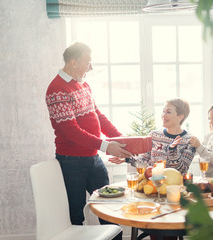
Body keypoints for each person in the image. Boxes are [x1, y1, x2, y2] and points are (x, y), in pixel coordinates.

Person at [45, 42, 131, 229]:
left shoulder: (83, 85)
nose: (90, 67)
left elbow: (98, 116)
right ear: (74, 63)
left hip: (93, 158)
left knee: (108, 207)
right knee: (75, 214)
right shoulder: (57, 89)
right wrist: (107, 146)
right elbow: (72, 131)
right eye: (88, 62)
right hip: (71, 162)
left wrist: (123, 141)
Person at [110, 98, 196, 175]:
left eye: (168, 112)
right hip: (152, 185)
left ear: (180, 117)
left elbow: (181, 171)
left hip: (175, 188)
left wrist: (172, 150)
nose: (163, 115)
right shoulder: (154, 135)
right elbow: (144, 163)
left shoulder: (190, 140)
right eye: (163, 111)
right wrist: (127, 159)